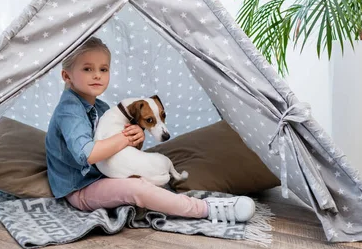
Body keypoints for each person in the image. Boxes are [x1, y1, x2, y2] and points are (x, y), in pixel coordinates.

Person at [45, 36, 256, 224]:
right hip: (81, 188)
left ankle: (166, 196)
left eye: (103, 69)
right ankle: (204, 209)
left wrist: (137, 137)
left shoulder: (101, 109)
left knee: (146, 172)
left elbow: (122, 153)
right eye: (87, 69)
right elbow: (88, 155)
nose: (97, 75)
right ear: (66, 76)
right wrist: (124, 138)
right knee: (137, 189)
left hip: (105, 175)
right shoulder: (69, 110)